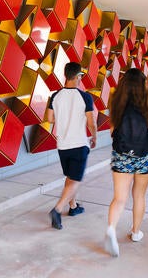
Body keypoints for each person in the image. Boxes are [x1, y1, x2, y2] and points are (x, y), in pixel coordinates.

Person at [104, 68, 148, 256]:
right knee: (139, 196)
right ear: (143, 86)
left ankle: (111, 229)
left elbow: (112, 132)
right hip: (145, 158)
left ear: (124, 85)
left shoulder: (115, 105)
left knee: (119, 198)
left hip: (122, 156)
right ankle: (135, 232)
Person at [45, 62, 97, 230]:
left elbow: (50, 118)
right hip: (79, 143)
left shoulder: (55, 96)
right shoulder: (85, 97)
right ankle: (58, 209)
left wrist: (64, 116)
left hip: (62, 145)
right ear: (78, 77)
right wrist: (94, 136)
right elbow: (91, 121)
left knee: (70, 177)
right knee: (75, 179)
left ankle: (73, 207)